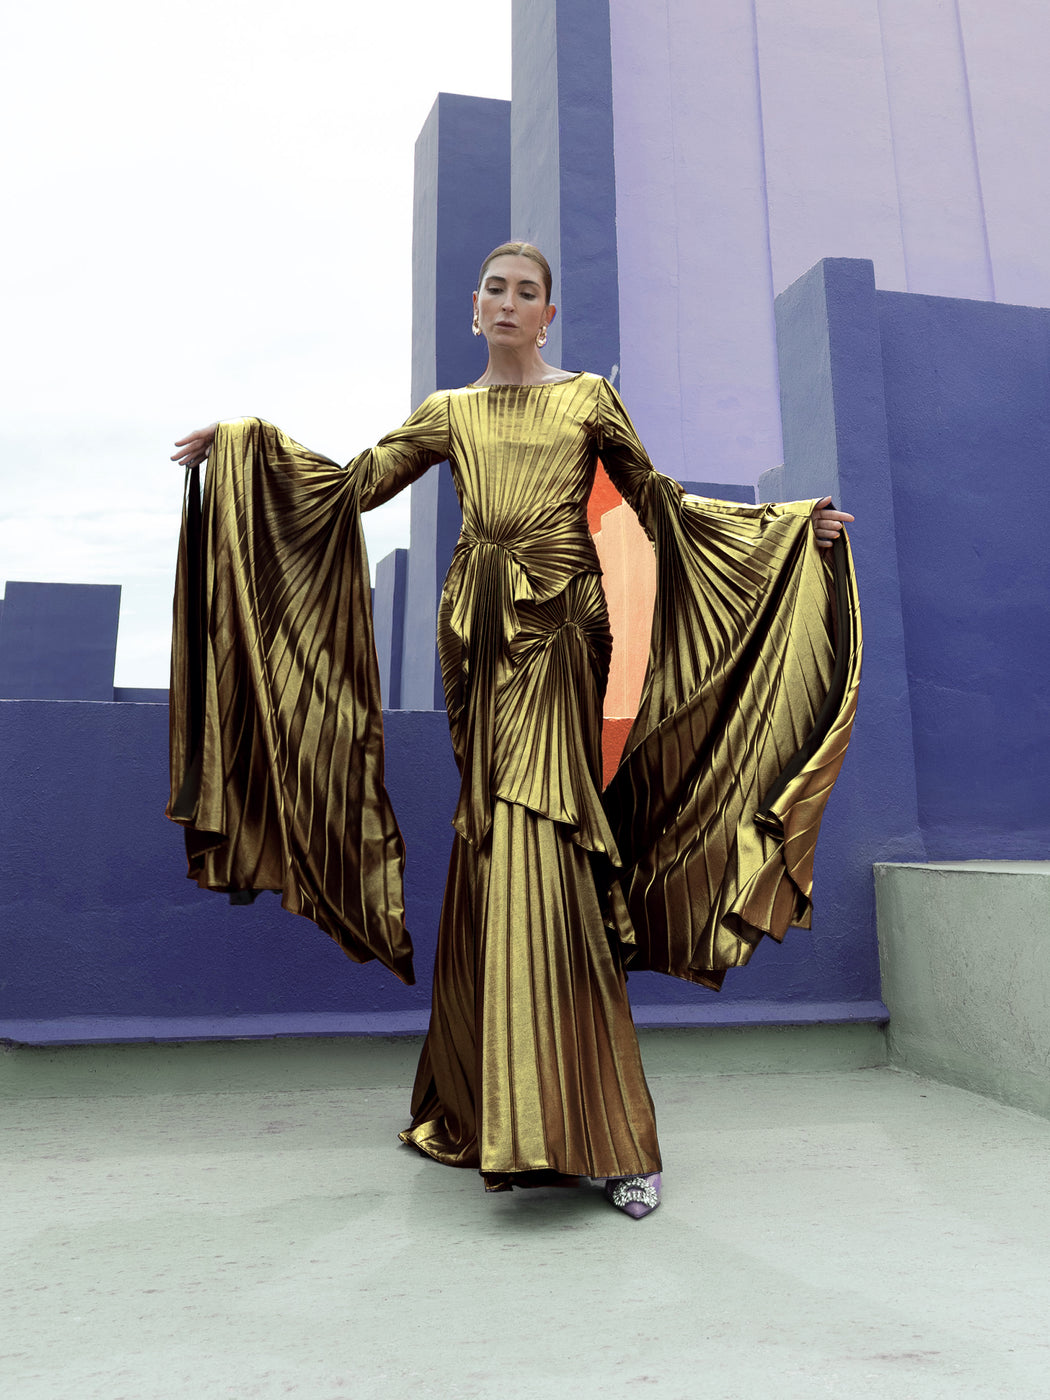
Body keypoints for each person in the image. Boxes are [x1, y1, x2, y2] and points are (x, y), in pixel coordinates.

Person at [169, 241, 859, 1220]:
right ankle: (475, 1102)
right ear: (475, 307)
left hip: (560, 637)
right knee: (492, 845)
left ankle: (616, 1138)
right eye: (493, 286)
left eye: (526, 290)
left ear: (548, 315)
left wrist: (787, 530)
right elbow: (353, 487)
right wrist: (245, 445)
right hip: (478, 645)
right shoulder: (449, 412)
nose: (506, 300)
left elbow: (660, 508)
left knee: (547, 842)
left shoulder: (586, 401)